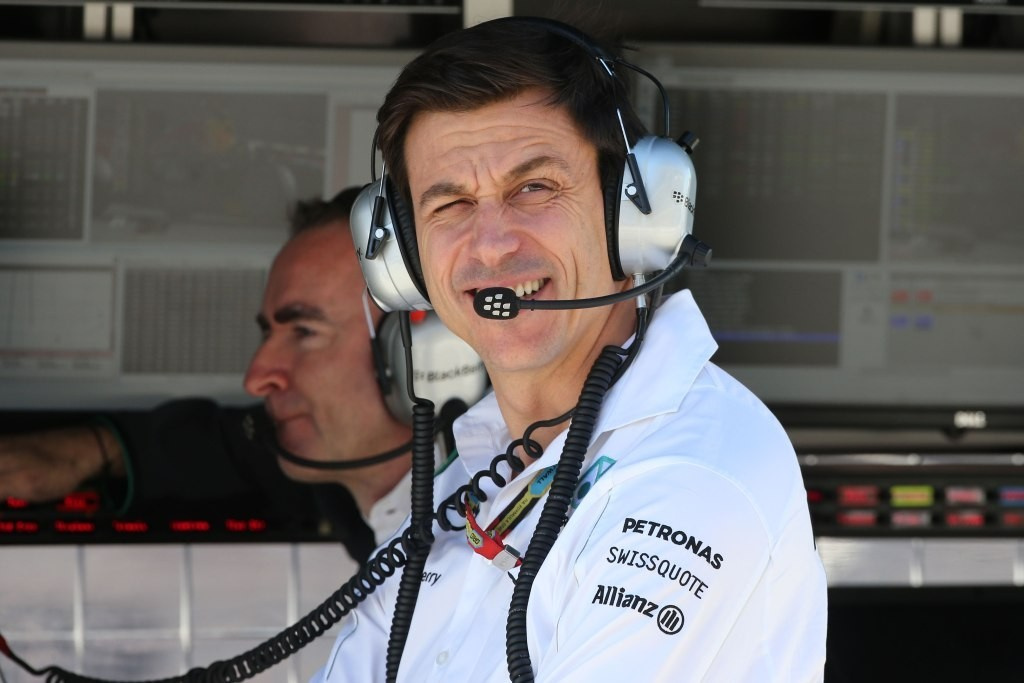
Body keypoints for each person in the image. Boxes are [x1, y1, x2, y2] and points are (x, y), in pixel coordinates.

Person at [313, 17, 827, 683]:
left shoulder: (696, 471)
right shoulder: (465, 480)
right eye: (451, 204)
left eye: (534, 188)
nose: (492, 244)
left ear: (635, 217)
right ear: (403, 257)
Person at [0, 186, 487, 562]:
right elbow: (224, 448)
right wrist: (92, 451)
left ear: (430, 352)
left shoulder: (503, 545)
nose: (256, 379)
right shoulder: (347, 492)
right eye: (269, 334)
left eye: (304, 332)